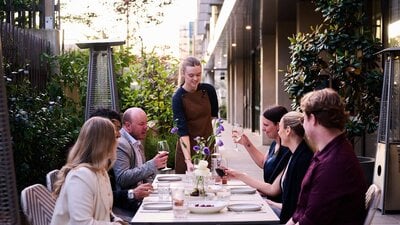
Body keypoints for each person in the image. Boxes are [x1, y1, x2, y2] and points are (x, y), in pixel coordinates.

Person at [286, 88, 367, 225]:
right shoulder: (328, 152)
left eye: (303, 118)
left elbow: (311, 221)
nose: (302, 123)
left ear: (312, 119)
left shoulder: (334, 163)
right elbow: (301, 213)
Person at [227, 111, 313, 223]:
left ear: (287, 131)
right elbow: (276, 191)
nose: (279, 132)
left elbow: (299, 208)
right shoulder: (294, 155)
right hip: (284, 211)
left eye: (280, 128)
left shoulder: (301, 159)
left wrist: (273, 204)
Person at [51, 117, 127, 225]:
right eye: (114, 138)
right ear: (104, 143)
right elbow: (82, 223)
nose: (117, 142)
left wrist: (116, 220)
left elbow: (106, 212)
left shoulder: (101, 171)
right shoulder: (80, 176)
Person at [89, 108, 153, 218]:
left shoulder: (101, 166)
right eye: (116, 129)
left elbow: (106, 196)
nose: (119, 135)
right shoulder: (81, 174)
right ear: (100, 134)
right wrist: (132, 194)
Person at [172, 56, 219, 173]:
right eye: (191, 75)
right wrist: (188, 161)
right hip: (187, 148)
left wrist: (214, 143)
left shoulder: (209, 90)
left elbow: (214, 118)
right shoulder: (178, 97)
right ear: (183, 74)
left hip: (207, 146)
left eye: (198, 75)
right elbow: (182, 131)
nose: (195, 79)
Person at [234, 105, 291, 201]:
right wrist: (247, 143)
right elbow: (264, 163)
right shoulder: (275, 144)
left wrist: (241, 176)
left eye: (266, 125)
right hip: (268, 197)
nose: (263, 129)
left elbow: (273, 189)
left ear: (278, 125)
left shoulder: (288, 150)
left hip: (277, 202)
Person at [113, 107, 168, 191]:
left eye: (146, 123)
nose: (146, 127)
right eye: (141, 124)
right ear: (128, 126)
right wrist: (152, 164)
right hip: (130, 201)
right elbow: (122, 178)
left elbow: (143, 176)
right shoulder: (121, 143)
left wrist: (154, 188)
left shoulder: (136, 141)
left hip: (142, 196)